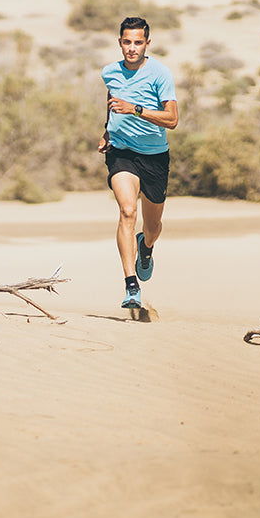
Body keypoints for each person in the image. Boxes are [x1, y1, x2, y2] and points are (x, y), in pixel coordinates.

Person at [98, 15, 178, 310]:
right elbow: (112, 99)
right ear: (120, 42)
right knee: (127, 211)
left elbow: (172, 119)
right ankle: (131, 285)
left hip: (155, 156)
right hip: (122, 153)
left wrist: (136, 109)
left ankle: (146, 247)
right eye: (127, 42)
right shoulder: (110, 72)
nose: (132, 48)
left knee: (153, 224)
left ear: (147, 43)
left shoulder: (160, 74)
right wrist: (108, 131)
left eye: (138, 43)